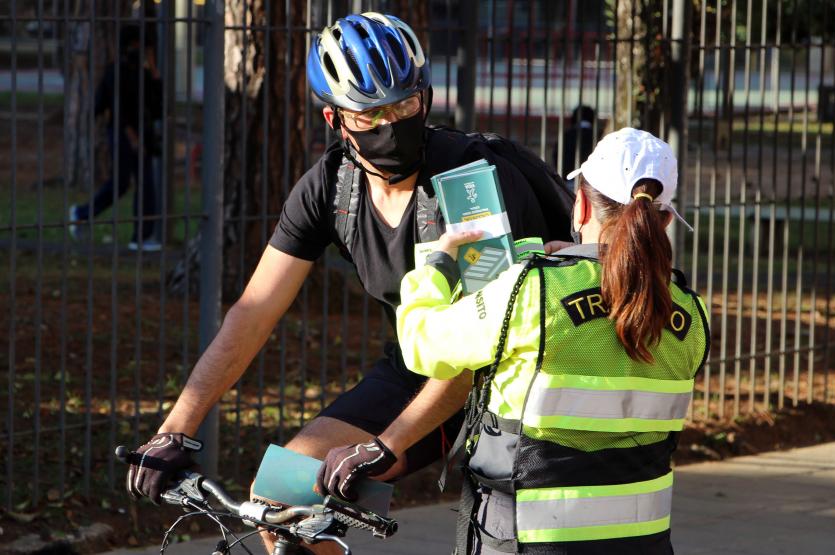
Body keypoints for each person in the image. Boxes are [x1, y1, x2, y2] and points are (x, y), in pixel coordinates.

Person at [123, 12, 569, 554]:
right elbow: (254, 311)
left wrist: (388, 445)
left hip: (505, 376)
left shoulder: (467, 186)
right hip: (418, 368)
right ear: (335, 119)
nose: (393, 124)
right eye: (372, 113)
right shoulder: (331, 188)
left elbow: (482, 345)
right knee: (282, 495)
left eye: (406, 105)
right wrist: (177, 427)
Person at [380, 128, 710, 554]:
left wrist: (439, 265)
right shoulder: (692, 316)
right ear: (664, 220)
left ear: (583, 204)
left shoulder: (533, 293)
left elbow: (421, 342)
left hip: (527, 542)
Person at [69, 24, 163, 251]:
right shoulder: (116, 71)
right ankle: (82, 213)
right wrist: (131, 136)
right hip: (122, 134)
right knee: (121, 183)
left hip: (144, 134)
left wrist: (153, 71)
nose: (137, 51)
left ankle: (141, 237)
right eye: (134, 46)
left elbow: (158, 107)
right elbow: (112, 106)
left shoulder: (145, 74)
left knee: (146, 183)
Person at [553, 104, 596, 189]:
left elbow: (556, 156)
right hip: (592, 186)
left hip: (567, 183)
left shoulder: (565, 136)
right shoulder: (597, 135)